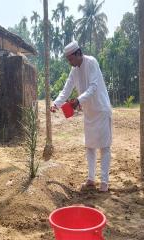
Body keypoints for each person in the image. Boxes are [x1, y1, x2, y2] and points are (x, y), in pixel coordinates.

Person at [51, 41, 112, 192]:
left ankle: (104, 182)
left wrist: (78, 100)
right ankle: (91, 179)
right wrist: (56, 104)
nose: (70, 62)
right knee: (90, 146)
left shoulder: (92, 62)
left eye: (71, 59)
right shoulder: (74, 71)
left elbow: (93, 87)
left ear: (79, 53)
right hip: (89, 113)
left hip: (101, 109)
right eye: (68, 60)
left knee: (104, 146)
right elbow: (67, 88)